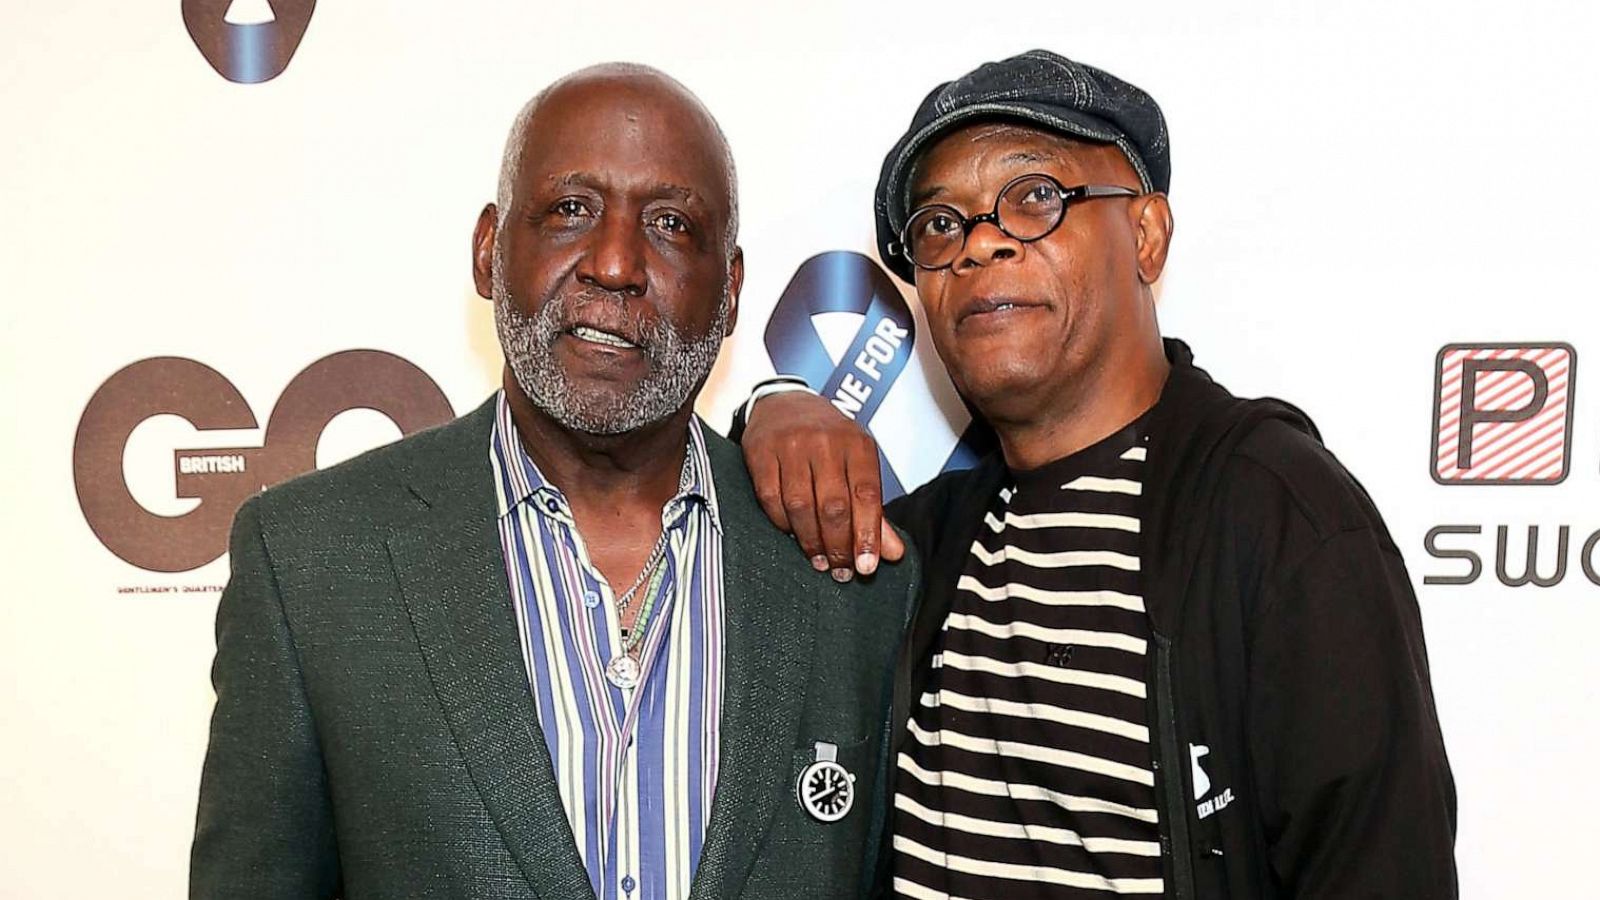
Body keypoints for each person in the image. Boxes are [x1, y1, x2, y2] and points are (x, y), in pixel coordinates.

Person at [737, 49, 1457, 899]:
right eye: (939, 224)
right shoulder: (926, 542)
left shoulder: (1277, 518)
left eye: (1035, 197)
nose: (979, 246)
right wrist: (771, 402)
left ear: (1146, 234)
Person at [190, 63, 918, 900]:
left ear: (730, 295)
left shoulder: (849, 574)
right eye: (571, 210)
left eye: (672, 224)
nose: (614, 264)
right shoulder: (311, 561)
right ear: (488, 252)